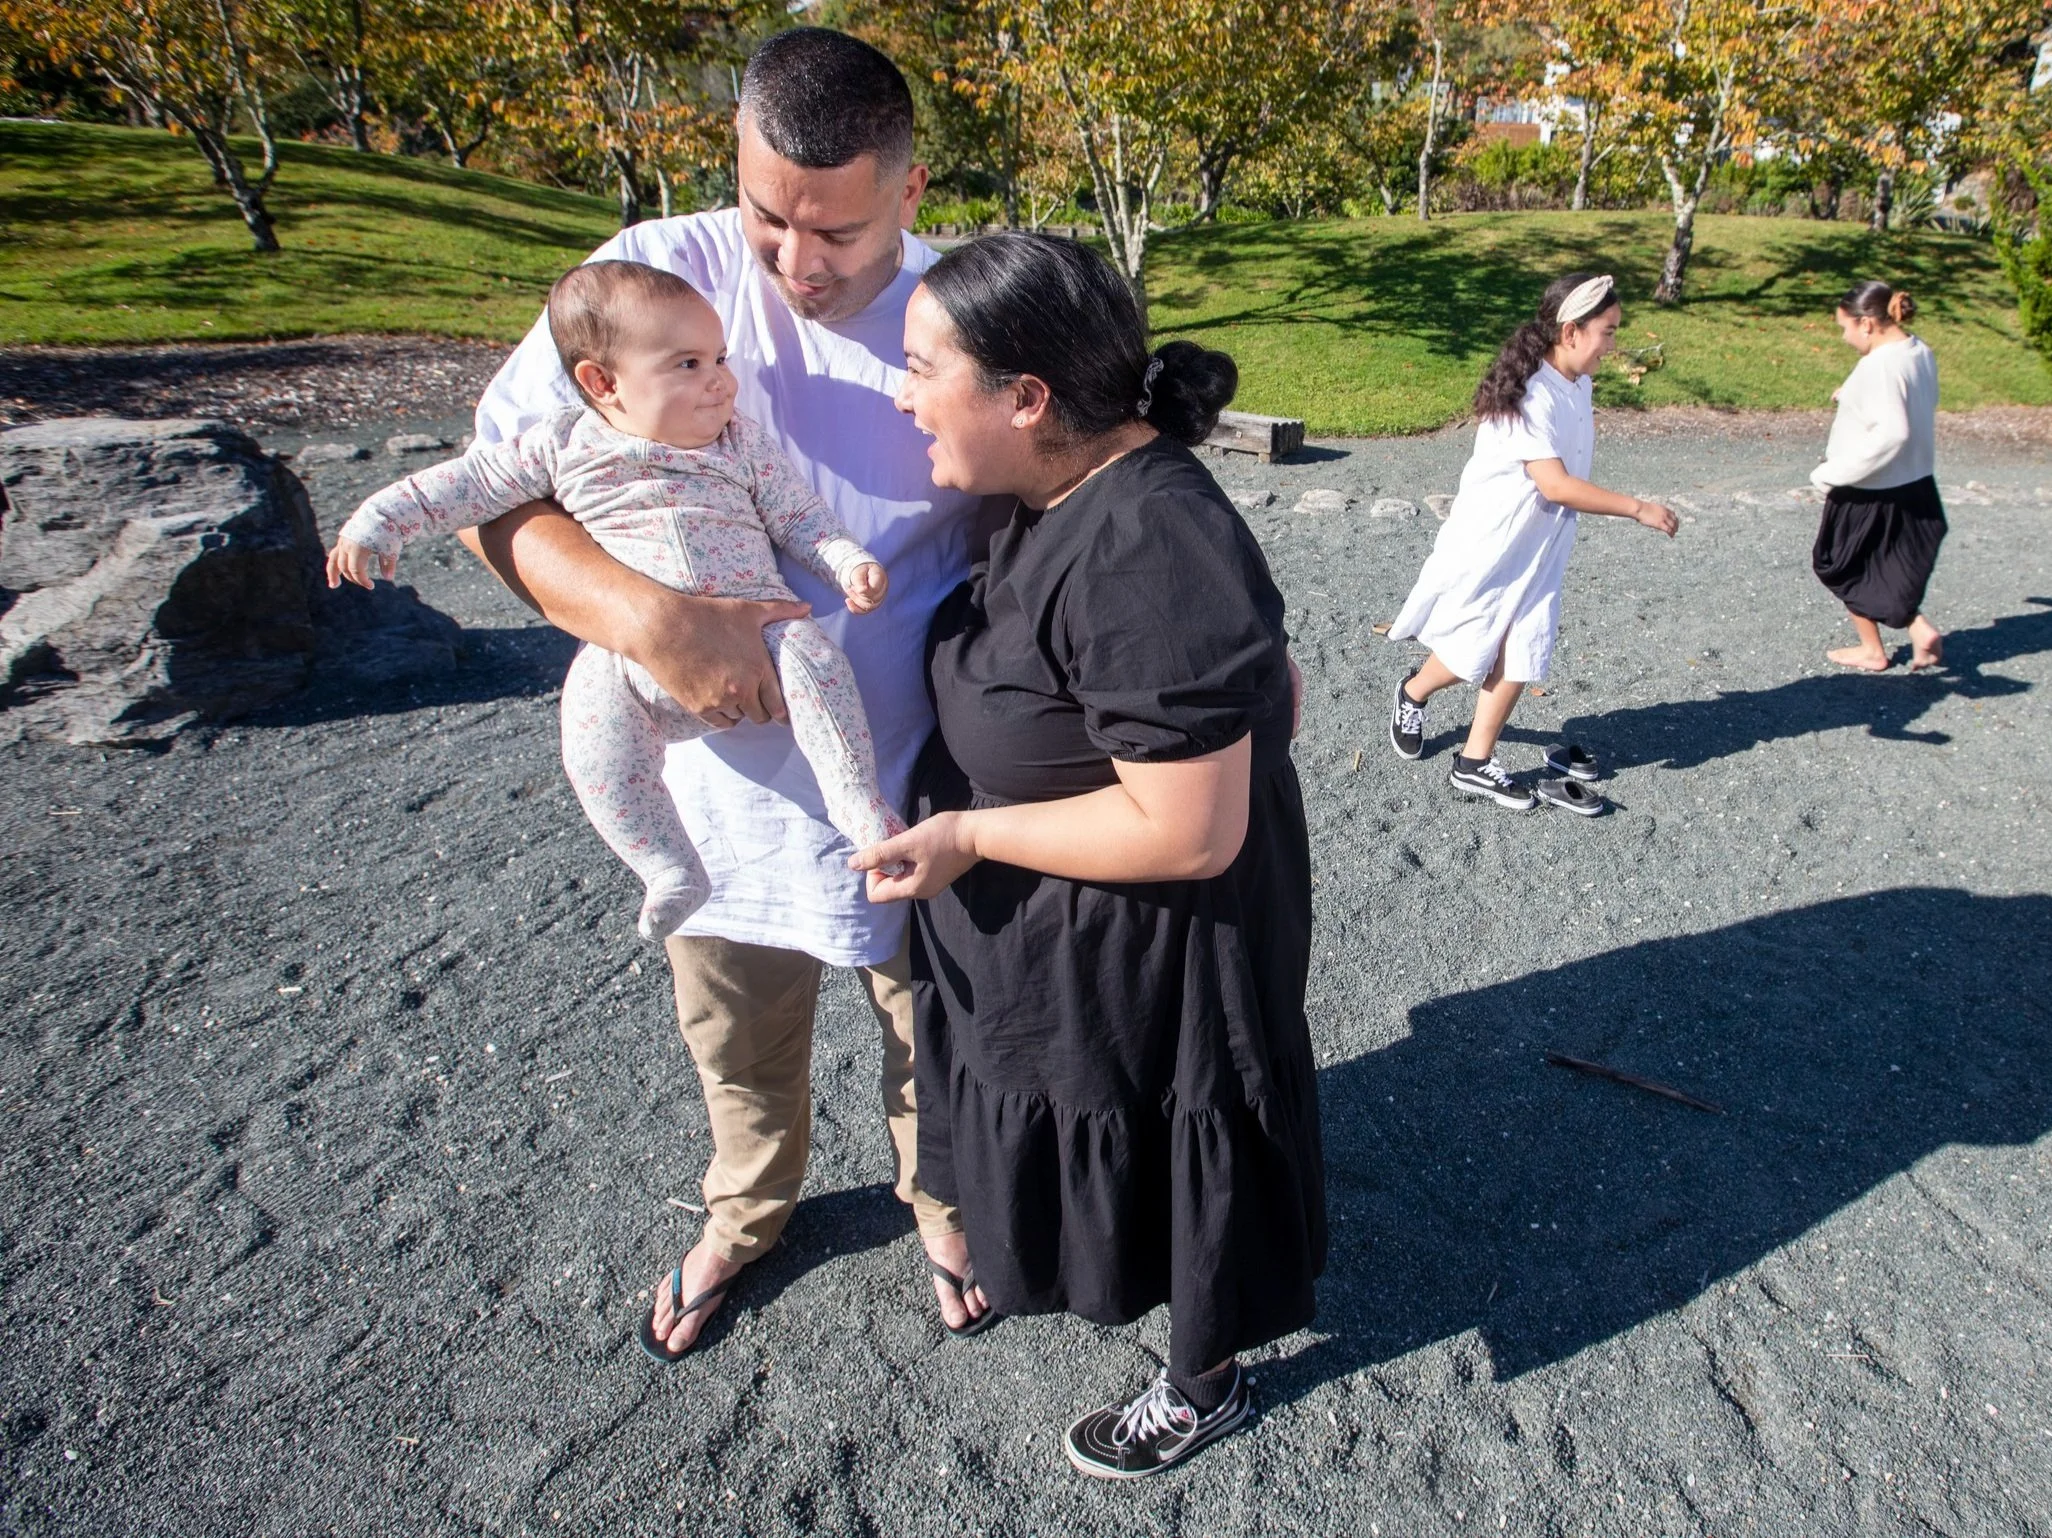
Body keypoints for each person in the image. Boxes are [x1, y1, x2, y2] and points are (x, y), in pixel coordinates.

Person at [452, 28, 996, 1361]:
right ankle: (747, 1213)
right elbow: (488, 500)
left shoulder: (964, 312)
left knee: (933, 1024)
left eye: (842, 234)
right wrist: (654, 621)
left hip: (912, 772)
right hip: (715, 785)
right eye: (768, 217)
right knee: (736, 1031)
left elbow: (1084, 485)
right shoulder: (653, 283)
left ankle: (942, 1202)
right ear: (732, 170)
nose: (798, 267)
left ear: (913, 195)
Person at [853, 232, 1324, 1479]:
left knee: (1177, 1141)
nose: (902, 395)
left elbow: (1191, 826)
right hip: (1064, 932)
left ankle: (1202, 1378)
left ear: (1027, 397)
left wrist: (966, 831)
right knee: (1091, 1121)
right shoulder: (1057, 491)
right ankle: (1059, 1264)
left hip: (1160, 944)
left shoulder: (1144, 541)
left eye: (919, 367)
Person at [331, 260, 903, 943]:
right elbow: (466, 485)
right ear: (602, 383)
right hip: (629, 660)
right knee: (591, 740)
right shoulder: (563, 443)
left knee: (816, 657)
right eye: (687, 364)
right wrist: (376, 521)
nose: (721, 379)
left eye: (719, 357)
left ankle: (858, 803)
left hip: (764, 635)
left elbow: (799, 516)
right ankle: (667, 865)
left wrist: (848, 561)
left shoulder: (739, 442)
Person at [1385, 272, 1679, 812]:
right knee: (1471, 647)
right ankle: (1414, 692)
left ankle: (1474, 762)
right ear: (1571, 332)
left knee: (1523, 646)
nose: (1613, 345)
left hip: (1541, 540)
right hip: (1494, 542)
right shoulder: (1529, 395)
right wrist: (1638, 508)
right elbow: (1555, 482)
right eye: (1607, 333)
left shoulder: (1577, 383)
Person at [1809, 280, 1946, 672]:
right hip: (1915, 481)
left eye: (1845, 327)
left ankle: (1881, 645)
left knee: (1838, 564)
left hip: (1868, 486)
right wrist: (1850, 392)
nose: (1844, 336)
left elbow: (1893, 432)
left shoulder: (1879, 366)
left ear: (1867, 323)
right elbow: (1913, 398)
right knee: (1883, 565)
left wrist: (1831, 474)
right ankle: (1913, 628)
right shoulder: (1917, 351)